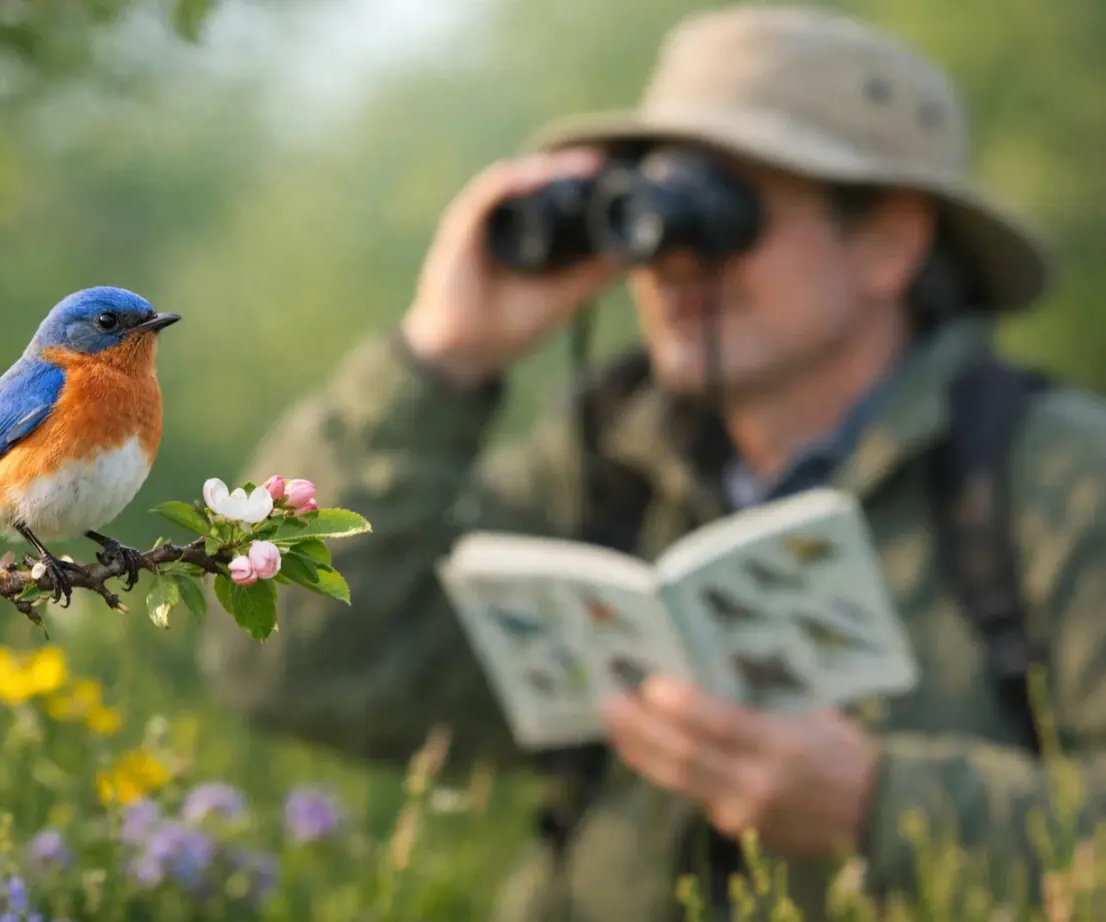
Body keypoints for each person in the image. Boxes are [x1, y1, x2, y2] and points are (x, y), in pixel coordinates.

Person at [197, 5, 1106, 920]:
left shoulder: (1054, 479)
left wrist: (882, 806)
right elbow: (277, 660)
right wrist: (439, 360)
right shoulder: (609, 469)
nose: (671, 259)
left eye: (723, 212)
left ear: (889, 242)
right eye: (649, 206)